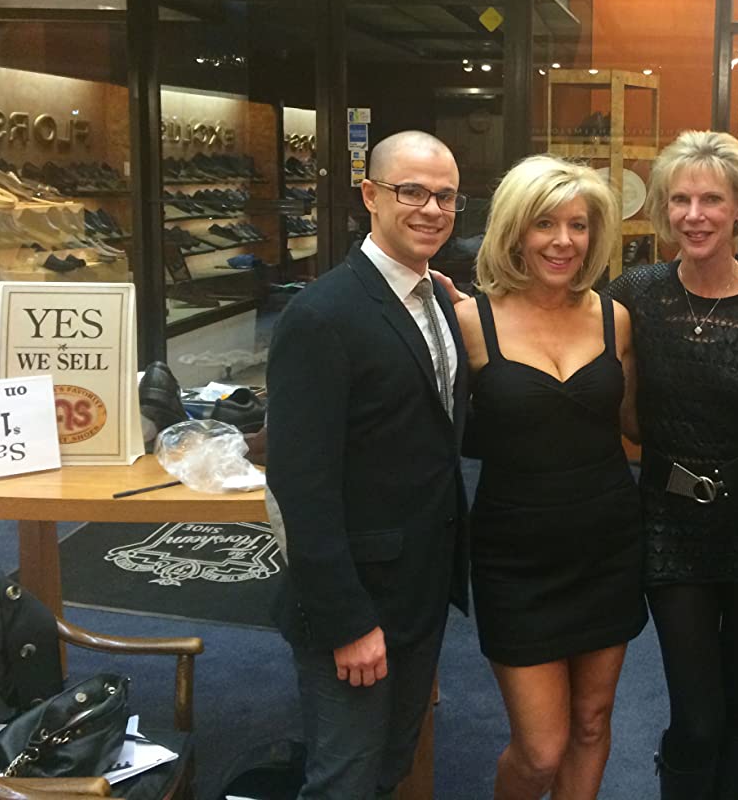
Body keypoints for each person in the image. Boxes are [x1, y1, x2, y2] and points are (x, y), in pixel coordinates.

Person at [265, 130, 470, 799]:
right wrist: (347, 622)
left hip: (417, 586)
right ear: (370, 195)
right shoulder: (321, 315)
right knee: (343, 782)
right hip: (354, 602)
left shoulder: (437, 300)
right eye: (412, 191)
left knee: (388, 767)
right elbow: (300, 486)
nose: (431, 209)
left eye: (445, 196)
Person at [606, 131, 738, 800]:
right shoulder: (635, 293)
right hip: (668, 524)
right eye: (679, 200)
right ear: (662, 208)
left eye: (712, 199)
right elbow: (566, 337)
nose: (694, 215)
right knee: (697, 715)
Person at [454, 154, 647, 800]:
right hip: (516, 559)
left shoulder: (614, 318)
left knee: (591, 723)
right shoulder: (470, 322)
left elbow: (637, 422)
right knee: (538, 751)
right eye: (544, 224)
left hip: (608, 547)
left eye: (578, 225)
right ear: (515, 230)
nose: (563, 241)